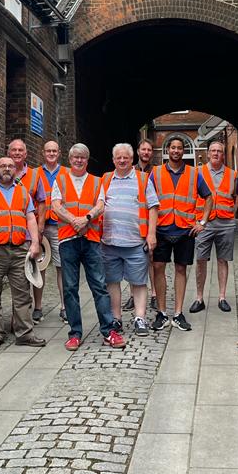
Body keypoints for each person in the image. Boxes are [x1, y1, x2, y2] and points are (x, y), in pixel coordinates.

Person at [51, 143, 125, 350]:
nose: (79, 160)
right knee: (70, 288)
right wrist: (74, 221)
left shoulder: (96, 181)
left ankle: (108, 330)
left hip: (90, 238)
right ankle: (75, 333)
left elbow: (101, 205)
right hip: (67, 239)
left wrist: (86, 218)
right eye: (75, 156)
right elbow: (55, 205)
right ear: (70, 158)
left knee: (99, 286)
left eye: (83, 157)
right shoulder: (60, 179)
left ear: (87, 159)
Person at [0, 156, 46, 349]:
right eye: (3, 166)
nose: (7, 169)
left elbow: (30, 219)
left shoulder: (23, 192)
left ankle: (24, 333)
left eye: (10, 166)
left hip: (19, 249)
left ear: (15, 169)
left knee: (22, 294)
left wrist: (35, 243)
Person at [150, 136, 212, 332]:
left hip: (185, 230)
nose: (176, 151)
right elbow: (146, 199)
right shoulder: (156, 173)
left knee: (180, 270)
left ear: (183, 151)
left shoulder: (194, 174)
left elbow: (209, 197)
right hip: (161, 227)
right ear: (167, 150)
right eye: (173, 147)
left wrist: (202, 222)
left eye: (179, 148)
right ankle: (161, 312)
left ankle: (177, 313)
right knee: (158, 268)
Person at [97, 142, 159, 336]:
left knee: (139, 282)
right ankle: (116, 319)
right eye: (118, 158)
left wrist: (151, 234)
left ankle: (140, 318)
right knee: (112, 282)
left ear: (132, 159)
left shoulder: (143, 179)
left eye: (126, 157)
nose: (122, 160)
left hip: (135, 242)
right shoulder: (105, 179)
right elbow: (98, 205)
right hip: (109, 242)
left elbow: (153, 207)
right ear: (113, 160)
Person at [189, 140, 238, 313]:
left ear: (223, 154)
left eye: (219, 151)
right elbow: (191, 197)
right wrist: (196, 220)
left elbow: (237, 197)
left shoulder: (233, 174)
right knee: (201, 259)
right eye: (213, 151)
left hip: (225, 222)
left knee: (223, 259)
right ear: (208, 153)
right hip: (204, 223)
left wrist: (233, 213)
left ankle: (222, 297)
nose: (216, 153)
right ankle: (199, 297)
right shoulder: (197, 172)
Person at [32, 140, 66, 323]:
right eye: (48, 151)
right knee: (40, 266)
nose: (51, 154)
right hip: (41, 227)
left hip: (61, 226)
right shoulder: (35, 173)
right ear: (42, 153)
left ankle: (64, 306)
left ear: (59, 153)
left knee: (62, 266)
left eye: (54, 151)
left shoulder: (66, 173)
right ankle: (37, 307)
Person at [123, 138, 156, 311]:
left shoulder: (156, 172)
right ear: (138, 151)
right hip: (133, 222)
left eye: (149, 150)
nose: (146, 152)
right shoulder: (129, 170)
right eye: (143, 149)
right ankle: (131, 295)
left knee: (152, 260)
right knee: (132, 260)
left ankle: (154, 295)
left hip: (150, 223)